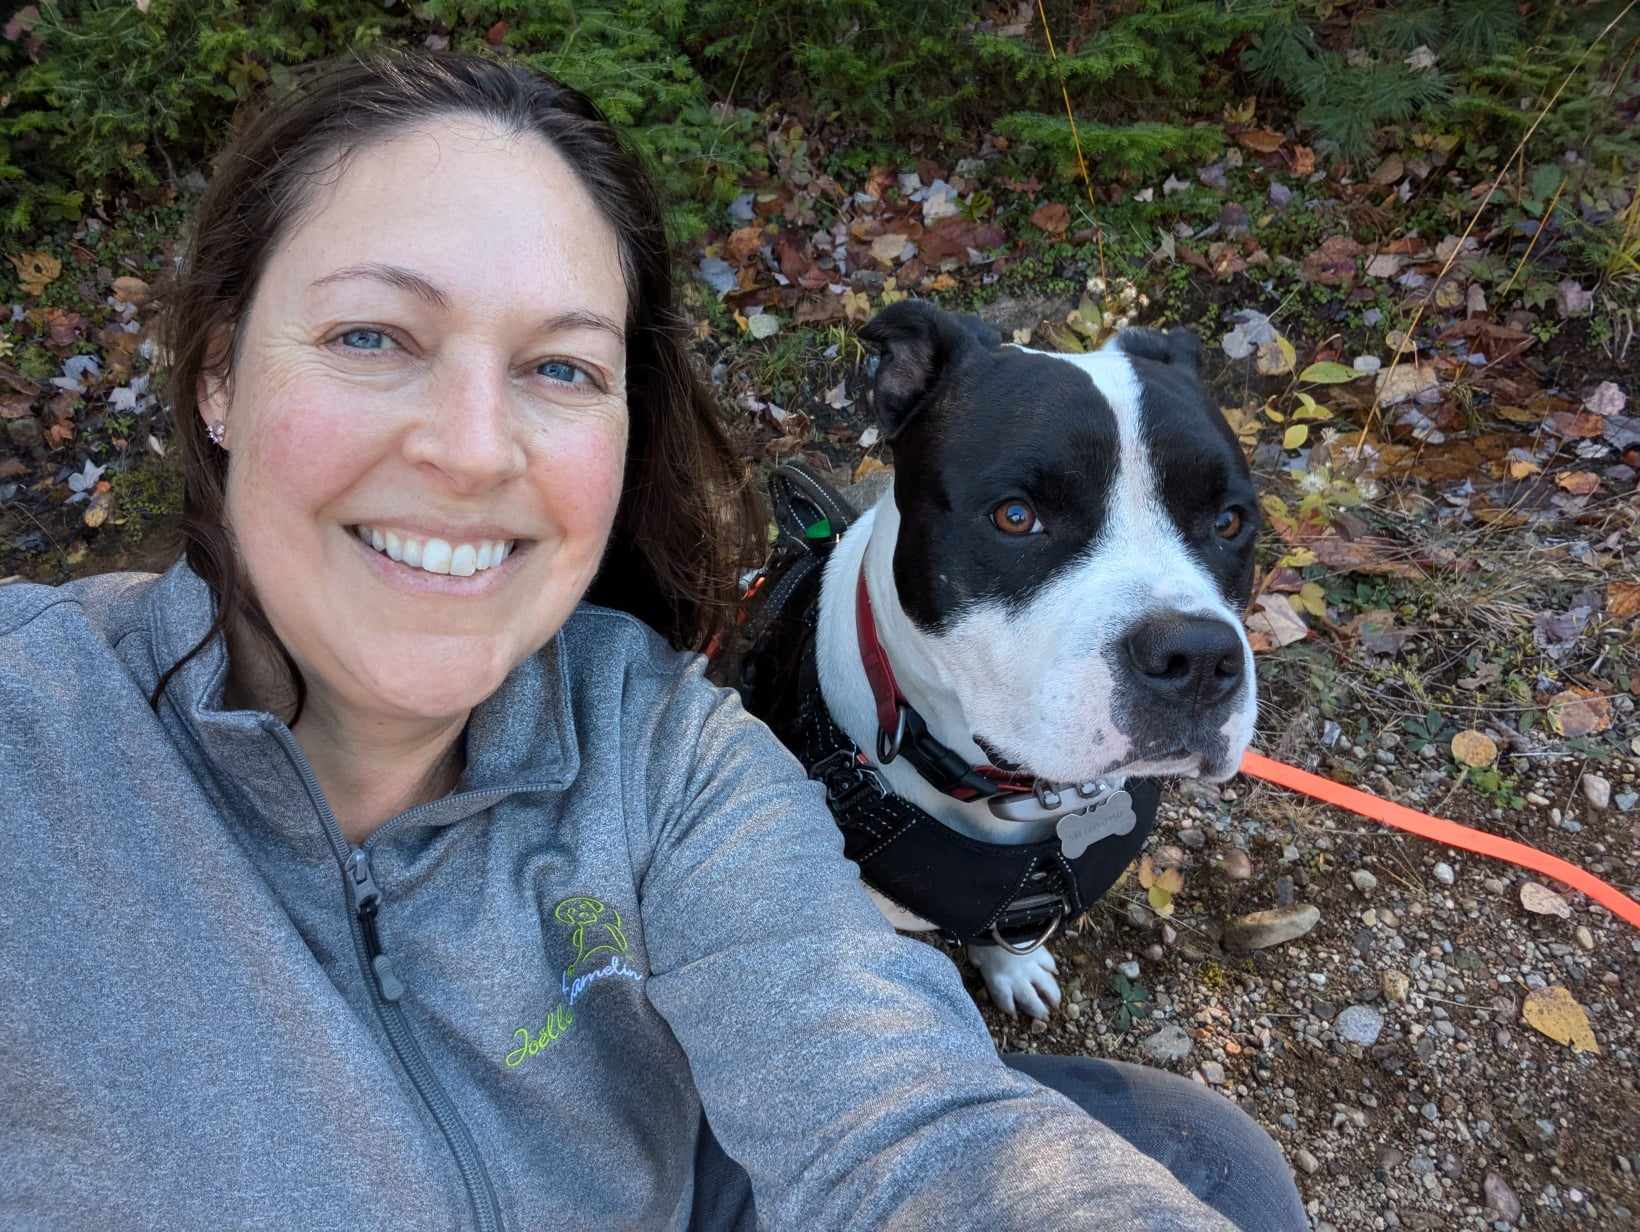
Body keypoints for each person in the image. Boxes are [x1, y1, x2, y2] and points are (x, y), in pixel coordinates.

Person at [0, 52, 1307, 1231]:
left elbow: (902, 1120)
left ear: (629, 427)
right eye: (372, 336)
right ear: (219, 371)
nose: (468, 447)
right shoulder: (32, 730)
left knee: (1210, 1164)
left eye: (560, 367)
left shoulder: (676, 758)